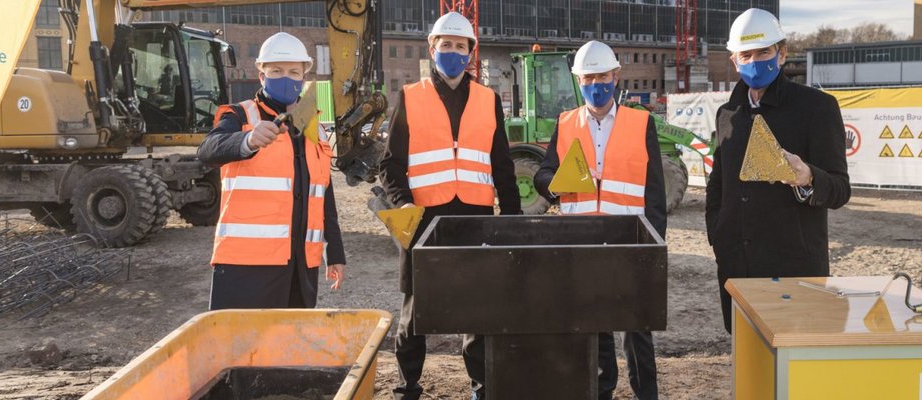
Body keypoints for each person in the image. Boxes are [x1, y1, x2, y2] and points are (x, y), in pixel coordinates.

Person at [378, 11, 521, 400]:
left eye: (461, 46)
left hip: (476, 219)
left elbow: (502, 165)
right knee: (414, 313)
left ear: (471, 53)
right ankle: (406, 388)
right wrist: (403, 204)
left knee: (478, 311)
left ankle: (482, 388)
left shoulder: (488, 100)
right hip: (425, 220)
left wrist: (512, 218)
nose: (453, 52)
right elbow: (390, 164)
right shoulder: (411, 97)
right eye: (446, 45)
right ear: (432, 48)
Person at [533, 40, 666, 400]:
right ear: (579, 81)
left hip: (628, 242)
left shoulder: (641, 123)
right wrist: (556, 186)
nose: (596, 84)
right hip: (582, 243)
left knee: (637, 330)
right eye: (588, 78)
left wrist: (654, 247)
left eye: (602, 77)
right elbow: (543, 175)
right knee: (595, 330)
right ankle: (601, 393)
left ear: (616, 77)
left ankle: (646, 395)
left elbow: (654, 193)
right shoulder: (566, 123)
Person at [706, 8, 851, 334]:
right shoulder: (728, 114)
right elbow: (718, 185)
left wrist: (807, 177)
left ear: (782, 54)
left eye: (764, 52)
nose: (755, 62)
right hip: (736, 265)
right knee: (745, 352)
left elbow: (840, 189)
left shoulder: (817, 108)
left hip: (793, 267)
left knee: (791, 357)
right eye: (746, 55)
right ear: (734, 61)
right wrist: (718, 234)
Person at [197, 32, 346, 310]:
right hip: (247, 266)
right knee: (244, 337)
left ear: (304, 76)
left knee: (291, 335)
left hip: (300, 265)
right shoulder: (241, 116)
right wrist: (247, 141)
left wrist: (335, 251)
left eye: (293, 72)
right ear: (262, 75)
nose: (286, 78)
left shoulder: (313, 126)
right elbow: (207, 150)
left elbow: (323, 193)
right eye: (276, 71)